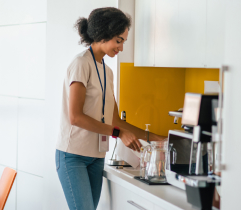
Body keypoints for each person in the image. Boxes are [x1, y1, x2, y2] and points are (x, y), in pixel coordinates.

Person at [55, 7, 167, 210]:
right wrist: (118, 133)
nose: (121, 47)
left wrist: (155, 138)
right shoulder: (81, 64)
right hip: (73, 156)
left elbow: (115, 121)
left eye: (123, 41)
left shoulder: (107, 71)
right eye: (119, 40)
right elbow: (76, 117)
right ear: (103, 34)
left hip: (97, 156)